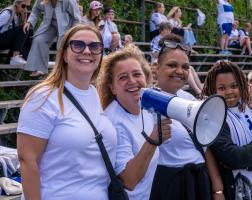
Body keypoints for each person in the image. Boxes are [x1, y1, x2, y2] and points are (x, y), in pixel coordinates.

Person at [17, 24, 117, 200]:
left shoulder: (94, 94)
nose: (87, 51)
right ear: (64, 54)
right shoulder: (43, 96)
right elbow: (27, 161)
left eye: (95, 46)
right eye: (78, 45)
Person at [150, 35, 224, 200]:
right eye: (172, 65)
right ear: (156, 68)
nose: (180, 71)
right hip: (169, 185)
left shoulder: (189, 98)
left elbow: (205, 148)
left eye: (185, 67)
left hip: (199, 180)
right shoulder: (145, 103)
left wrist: (217, 189)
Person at [97, 44, 172, 199]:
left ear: (146, 77)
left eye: (137, 74)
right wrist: (152, 141)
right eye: (123, 77)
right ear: (112, 88)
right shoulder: (113, 121)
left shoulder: (145, 106)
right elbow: (129, 181)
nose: (132, 81)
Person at [201, 60, 252, 200]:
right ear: (212, 90)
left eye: (234, 86)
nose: (229, 92)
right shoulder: (214, 119)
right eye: (221, 88)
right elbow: (233, 157)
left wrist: (248, 163)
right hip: (236, 190)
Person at [23, 0, 81, 77]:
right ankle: (40, 69)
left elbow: (77, 18)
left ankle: (62, 72)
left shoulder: (69, 1)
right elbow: (36, 10)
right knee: (39, 40)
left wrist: (73, 33)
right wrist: (29, 22)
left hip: (67, 26)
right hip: (49, 24)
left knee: (61, 46)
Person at [0, 0, 32, 65]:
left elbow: (21, 37)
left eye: (27, 7)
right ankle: (15, 57)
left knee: (30, 30)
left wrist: (24, 19)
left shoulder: (20, 15)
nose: (25, 9)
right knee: (23, 28)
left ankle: (25, 58)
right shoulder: (8, 13)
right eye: (23, 6)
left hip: (6, 41)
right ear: (17, 4)